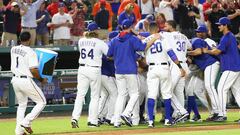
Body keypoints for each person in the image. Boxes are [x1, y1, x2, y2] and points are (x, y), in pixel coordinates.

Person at [107, 19, 160, 128]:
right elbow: (143, 47)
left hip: (119, 71)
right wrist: (154, 39)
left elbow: (109, 55)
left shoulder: (114, 40)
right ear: (130, 28)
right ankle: (126, 113)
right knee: (135, 94)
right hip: (130, 70)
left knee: (121, 95)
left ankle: (116, 121)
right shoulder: (132, 39)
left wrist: (119, 57)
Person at [143, 22, 186, 127]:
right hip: (164, 68)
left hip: (152, 68)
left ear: (148, 29)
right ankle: (167, 119)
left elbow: (139, 54)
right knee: (166, 94)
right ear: (157, 28)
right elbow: (171, 54)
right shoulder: (163, 38)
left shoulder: (146, 40)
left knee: (151, 95)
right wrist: (180, 67)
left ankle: (150, 121)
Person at [71, 22, 109, 128]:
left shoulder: (81, 41)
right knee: (95, 96)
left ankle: (74, 118)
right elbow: (109, 54)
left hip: (82, 68)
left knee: (80, 95)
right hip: (94, 69)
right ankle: (92, 121)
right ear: (95, 31)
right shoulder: (100, 42)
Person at [203, 17, 240, 122]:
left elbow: (217, 52)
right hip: (235, 67)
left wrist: (207, 51)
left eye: (220, 25)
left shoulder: (227, 37)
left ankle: (222, 114)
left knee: (221, 88)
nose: (218, 26)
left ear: (226, 26)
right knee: (237, 92)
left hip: (231, 67)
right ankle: (222, 113)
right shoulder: (229, 37)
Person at [11, 31, 47, 135]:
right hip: (25, 80)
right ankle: (26, 122)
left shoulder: (13, 49)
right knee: (42, 102)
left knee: (22, 105)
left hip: (15, 80)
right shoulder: (31, 52)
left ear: (19, 39)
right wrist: (41, 79)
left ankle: (19, 132)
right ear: (30, 39)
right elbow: (33, 70)